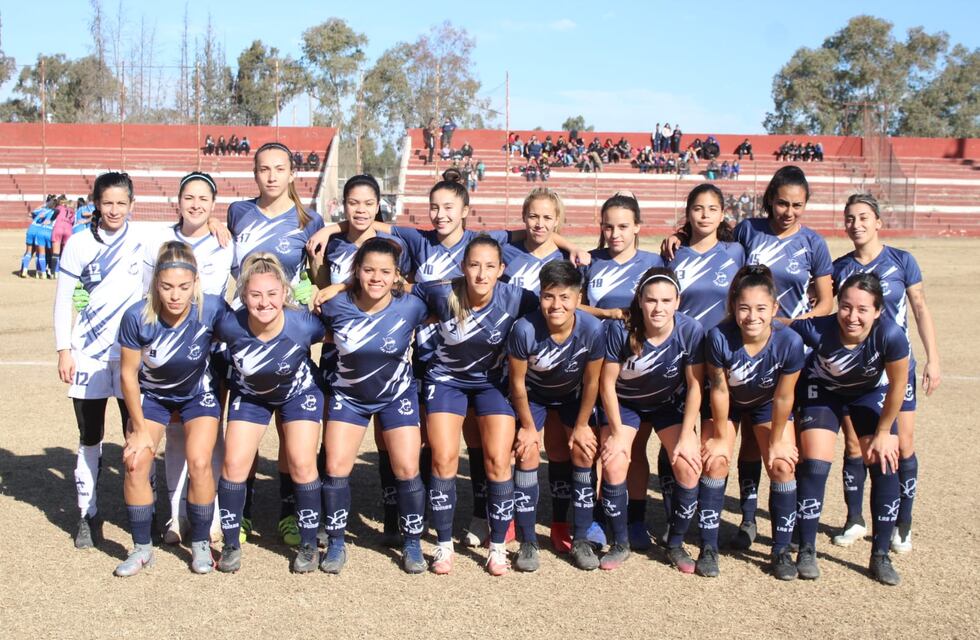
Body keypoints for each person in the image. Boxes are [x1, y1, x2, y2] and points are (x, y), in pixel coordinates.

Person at [663, 165, 833, 549]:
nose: (788, 211)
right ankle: (702, 517)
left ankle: (755, 516)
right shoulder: (747, 233)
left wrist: (790, 324)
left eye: (797, 205)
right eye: (782, 203)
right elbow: (710, 236)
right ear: (770, 199)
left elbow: (825, 301)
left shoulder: (814, 243)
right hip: (729, 346)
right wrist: (677, 236)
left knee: (771, 441)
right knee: (712, 433)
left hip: (782, 350)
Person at [412, 236, 539, 575]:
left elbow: (561, 308)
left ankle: (497, 547)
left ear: (502, 269)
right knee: (443, 457)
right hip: (446, 380)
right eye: (473, 265)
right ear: (462, 267)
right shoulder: (441, 293)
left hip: (491, 385)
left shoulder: (518, 298)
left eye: (489, 266)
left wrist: (605, 314)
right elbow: (398, 296)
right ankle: (443, 546)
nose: (481, 274)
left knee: (498, 460)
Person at [226, 142, 325, 547]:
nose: (271, 176)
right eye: (263, 169)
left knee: (292, 432)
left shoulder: (309, 218)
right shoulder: (237, 213)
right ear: (255, 174)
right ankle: (242, 515)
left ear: (291, 174)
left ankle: (289, 515)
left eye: (279, 168)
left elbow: (318, 274)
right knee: (242, 436)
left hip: (287, 329)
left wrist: (309, 291)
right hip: (245, 331)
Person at [830, 193, 940, 553]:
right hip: (855, 372)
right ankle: (855, 519)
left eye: (863, 217)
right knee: (853, 446)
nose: (856, 224)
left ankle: (902, 523)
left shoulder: (902, 261)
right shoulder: (840, 267)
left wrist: (932, 358)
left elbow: (920, 310)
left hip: (896, 370)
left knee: (902, 445)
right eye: (849, 218)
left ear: (878, 222)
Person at [317, 238, 430, 574]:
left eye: (385, 271)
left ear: (397, 275)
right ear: (356, 272)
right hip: (349, 397)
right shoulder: (335, 306)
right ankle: (336, 542)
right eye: (368, 270)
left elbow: (448, 303)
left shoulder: (412, 306)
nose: (376, 278)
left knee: (408, 468)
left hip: (397, 396)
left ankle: (412, 542)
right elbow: (307, 331)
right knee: (336, 467)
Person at [791, 273, 910, 585]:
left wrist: (884, 432)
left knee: (885, 461)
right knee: (815, 464)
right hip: (822, 391)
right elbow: (777, 325)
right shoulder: (818, 328)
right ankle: (805, 548)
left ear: (878, 311)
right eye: (845, 307)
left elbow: (898, 385)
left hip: (867, 394)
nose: (852, 317)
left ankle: (880, 554)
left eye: (862, 309)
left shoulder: (891, 335)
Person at [115, 242, 225, 576]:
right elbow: (128, 375)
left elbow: (247, 333)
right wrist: (138, 429)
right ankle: (141, 548)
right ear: (155, 284)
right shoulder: (137, 316)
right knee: (135, 462)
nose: (175, 295)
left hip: (198, 396)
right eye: (166, 287)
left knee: (201, 461)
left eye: (183, 286)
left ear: (195, 284)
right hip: (155, 398)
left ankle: (201, 543)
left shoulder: (213, 309)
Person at [312, 174, 409, 546]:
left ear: (378, 205)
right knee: (333, 438)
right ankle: (325, 517)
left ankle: (392, 517)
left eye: (368, 203)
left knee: (388, 439)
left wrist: (343, 284)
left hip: (383, 356)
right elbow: (320, 293)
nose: (361, 210)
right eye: (353, 203)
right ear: (343, 204)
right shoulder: (331, 243)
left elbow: (401, 287)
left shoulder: (393, 244)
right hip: (339, 353)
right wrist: (327, 282)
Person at [215, 253, 327, 574]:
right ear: (243, 296)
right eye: (255, 295)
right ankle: (231, 544)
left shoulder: (303, 324)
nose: (264, 303)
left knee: (302, 462)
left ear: (284, 293)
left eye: (272, 294)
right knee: (235, 463)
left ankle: (308, 543)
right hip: (251, 395)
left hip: (299, 393)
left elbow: (336, 334)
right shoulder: (229, 324)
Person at [54, 172, 145, 549]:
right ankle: (87, 514)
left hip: (129, 356)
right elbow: (63, 299)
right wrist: (64, 349)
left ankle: (142, 508)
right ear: (95, 203)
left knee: (137, 435)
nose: (114, 210)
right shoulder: (77, 243)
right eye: (107, 202)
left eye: (121, 203)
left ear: (131, 204)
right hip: (88, 355)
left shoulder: (143, 240)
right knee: (90, 437)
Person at [141, 172, 233, 545]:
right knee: (175, 435)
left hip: (212, 351)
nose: (195, 204)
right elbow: (146, 294)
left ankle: (208, 518)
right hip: (168, 352)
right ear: (177, 201)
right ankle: (176, 516)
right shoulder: (157, 240)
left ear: (214, 205)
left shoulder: (226, 241)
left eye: (204, 199)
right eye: (189, 197)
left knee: (210, 434)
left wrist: (214, 225)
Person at [598, 267, 705, 571]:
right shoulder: (621, 330)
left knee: (687, 464)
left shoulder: (690, 330)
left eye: (666, 300)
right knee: (615, 460)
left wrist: (686, 436)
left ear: (677, 302)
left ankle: (675, 544)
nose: (658, 308)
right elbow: (606, 384)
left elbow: (696, 385)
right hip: (626, 404)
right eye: (651, 300)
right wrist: (617, 432)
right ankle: (620, 542)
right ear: (640, 300)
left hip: (667, 404)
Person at [704, 265, 805, 579]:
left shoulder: (789, 341)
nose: (752, 316)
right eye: (744, 308)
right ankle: (708, 548)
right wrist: (721, 434)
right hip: (728, 405)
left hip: (766, 404)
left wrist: (776, 441)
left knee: (783, 464)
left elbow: (784, 397)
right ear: (734, 307)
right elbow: (719, 390)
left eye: (761, 308)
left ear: (775, 308)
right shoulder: (718, 336)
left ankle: (781, 550)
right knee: (715, 460)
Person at [579, 193, 664, 549]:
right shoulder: (589, 262)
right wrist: (608, 315)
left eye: (623, 227)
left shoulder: (654, 262)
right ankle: (598, 516)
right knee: (601, 444)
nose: (615, 233)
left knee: (636, 446)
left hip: (639, 369)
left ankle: (636, 519)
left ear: (637, 228)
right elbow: (575, 304)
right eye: (608, 226)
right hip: (597, 364)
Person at [508, 260, 605, 571]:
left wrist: (581, 425)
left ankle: (579, 536)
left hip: (571, 397)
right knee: (526, 454)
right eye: (549, 296)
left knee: (583, 450)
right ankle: (527, 540)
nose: (556, 304)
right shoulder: (524, 329)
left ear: (578, 299)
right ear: (540, 296)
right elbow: (518, 384)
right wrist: (527, 427)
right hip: (533, 397)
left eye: (565, 297)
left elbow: (592, 381)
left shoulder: (592, 329)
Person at [21, 198, 55, 278]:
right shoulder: (54, 212)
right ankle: (39, 272)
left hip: (31, 228)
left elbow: (30, 214)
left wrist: (43, 205)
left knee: (29, 251)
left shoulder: (42, 209)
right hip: (40, 230)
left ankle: (24, 270)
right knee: (39, 252)